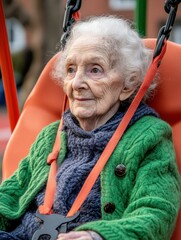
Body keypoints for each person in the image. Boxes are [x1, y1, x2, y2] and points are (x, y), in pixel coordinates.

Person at [0, 16, 180, 240]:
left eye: (95, 70)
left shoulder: (149, 138)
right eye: (71, 70)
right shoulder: (51, 136)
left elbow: (156, 213)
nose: (76, 83)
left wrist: (98, 236)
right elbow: (11, 194)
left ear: (128, 84)